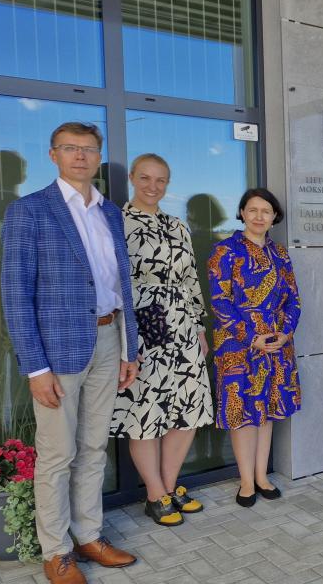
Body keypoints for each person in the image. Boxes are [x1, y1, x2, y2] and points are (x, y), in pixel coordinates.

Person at [1, 122, 139, 584]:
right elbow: (16, 294)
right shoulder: (30, 211)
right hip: (57, 352)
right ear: (53, 154)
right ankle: (56, 552)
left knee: (94, 447)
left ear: (98, 156)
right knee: (57, 454)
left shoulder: (111, 213)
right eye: (70, 148)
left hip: (107, 339)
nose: (80, 156)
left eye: (88, 149)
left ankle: (89, 536)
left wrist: (128, 347)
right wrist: (35, 367)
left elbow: (123, 287)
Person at [109, 154, 214, 526]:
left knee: (187, 409)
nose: (153, 186)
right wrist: (125, 335)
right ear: (134, 179)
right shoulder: (116, 221)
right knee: (146, 410)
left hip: (184, 324)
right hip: (143, 324)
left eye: (161, 180)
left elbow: (190, 278)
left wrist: (200, 326)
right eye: (146, 178)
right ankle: (154, 494)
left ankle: (168, 487)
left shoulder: (176, 225)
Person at [208, 188, 301, 507]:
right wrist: (251, 337)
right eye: (253, 210)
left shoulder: (281, 254)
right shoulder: (225, 251)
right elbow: (220, 301)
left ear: (275, 217)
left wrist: (286, 333)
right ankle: (246, 480)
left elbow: (294, 299)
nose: (259, 216)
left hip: (276, 344)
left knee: (268, 411)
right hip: (238, 346)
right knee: (243, 413)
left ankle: (262, 475)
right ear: (242, 213)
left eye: (266, 211)